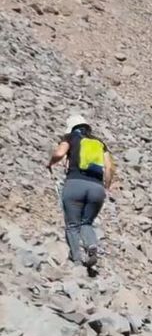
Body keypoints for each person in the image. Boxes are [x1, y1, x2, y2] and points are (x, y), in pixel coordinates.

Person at [47, 114, 116, 269]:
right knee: (87, 222)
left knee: (72, 224)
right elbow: (109, 167)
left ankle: (77, 260)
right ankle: (91, 246)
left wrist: (50, 163)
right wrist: (106, 186)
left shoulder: (70, 137)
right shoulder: (99, 143)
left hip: (75, 184)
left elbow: (59, 154)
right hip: (97, 188)